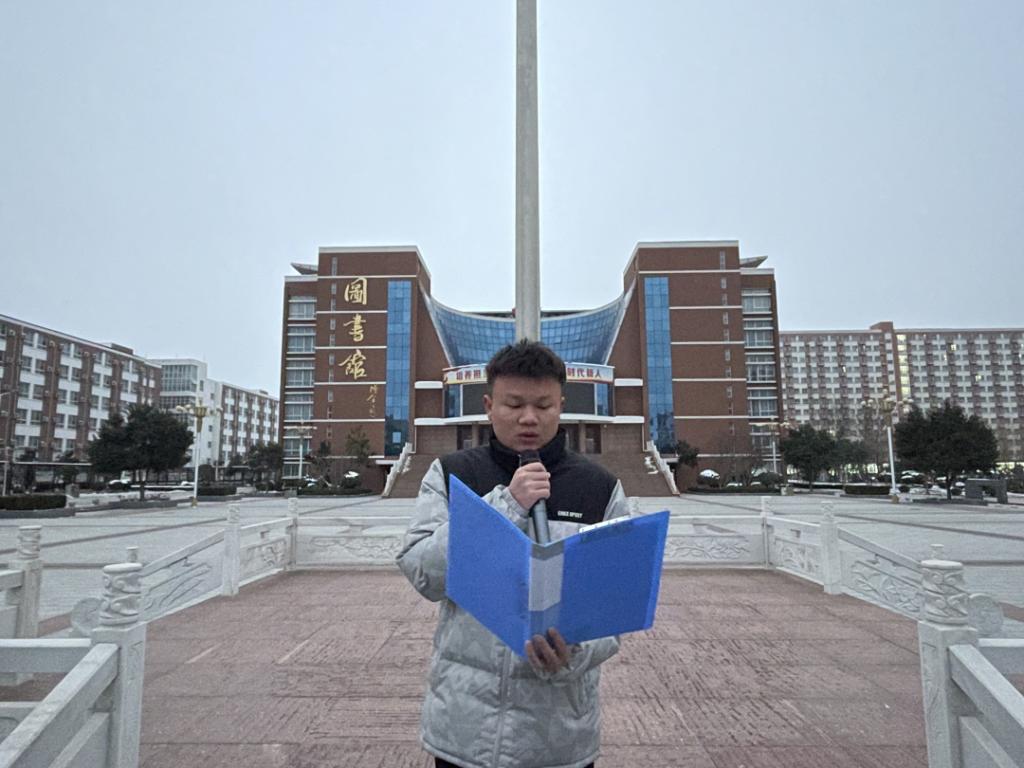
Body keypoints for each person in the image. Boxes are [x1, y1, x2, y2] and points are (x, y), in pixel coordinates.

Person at [397, 340, 630, 768]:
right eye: (514, 404)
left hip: (558, 737)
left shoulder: (600, 488)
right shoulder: (453, 475)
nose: (529, 418)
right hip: (465, 731)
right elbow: (423, 573)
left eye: (543, 405)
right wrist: (506, 506)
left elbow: (613, 607)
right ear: (489, 406)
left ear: (562, 406)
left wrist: (576, 652)